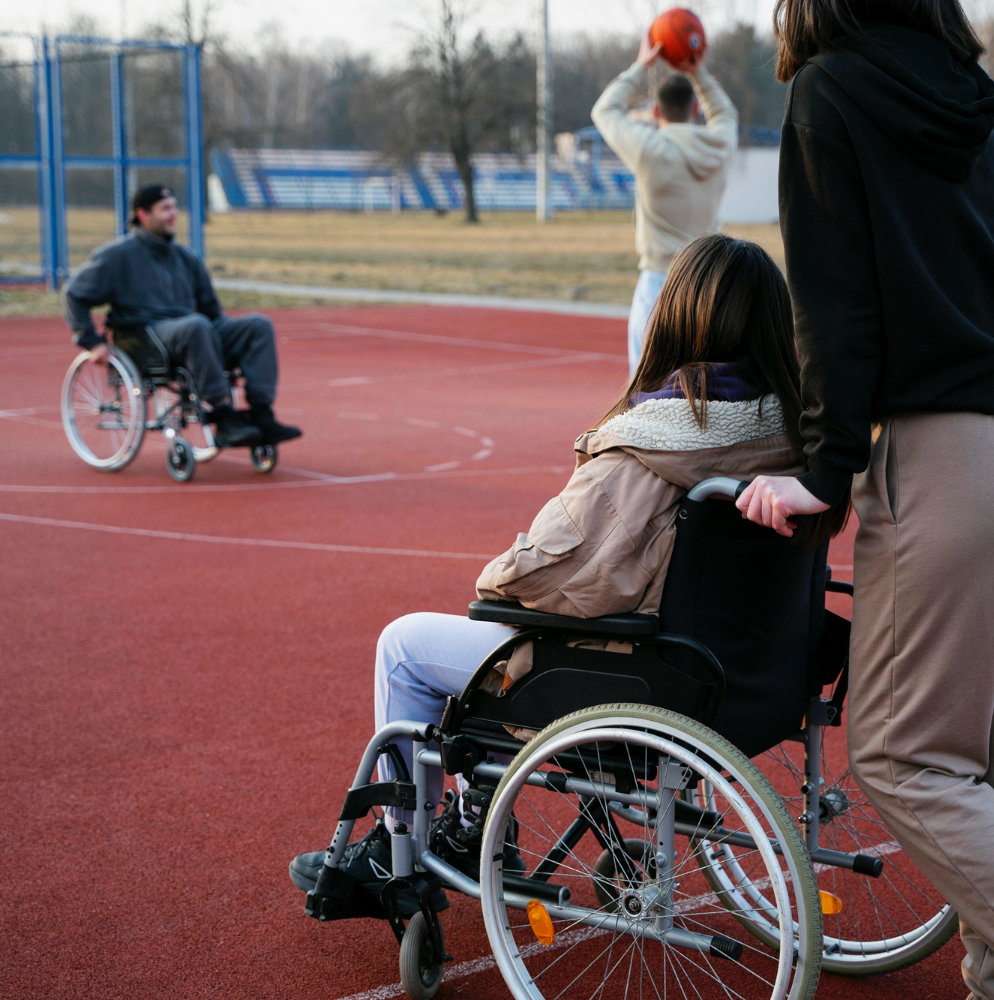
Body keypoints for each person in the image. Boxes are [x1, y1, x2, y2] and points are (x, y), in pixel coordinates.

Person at [735, 3, 994, 1000]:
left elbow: (833, 310)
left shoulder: (826, 94)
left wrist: (823, 471)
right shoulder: (969, 96)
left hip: (955, 454)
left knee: (896, 752)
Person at [288, 233, 806, 905]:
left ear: (678, 319)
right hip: (751, 672)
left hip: (642, 676)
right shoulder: (793, 436)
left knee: (412, 645)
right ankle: (475, 819)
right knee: (514, 648)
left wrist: (501, 580)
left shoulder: (653, 444)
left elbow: (548, 576)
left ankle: (398, 847)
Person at [63, 183, 301, 448]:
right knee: (196, 326)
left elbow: (212, 312)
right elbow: (74, 294)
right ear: (143, 215)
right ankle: (222, 416)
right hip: (145, 335)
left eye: (174, 207)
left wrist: (233, 334)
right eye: (165, 209)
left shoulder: (186, 257)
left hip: (192, 333)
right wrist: (91, 342)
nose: (173, 214)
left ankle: (261, 413)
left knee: (258, 324)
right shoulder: (116, 256)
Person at [591, 31, 738, 373]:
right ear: (696, 108)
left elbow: (605, 110)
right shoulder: (719, 146)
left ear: (657, 110)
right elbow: (726, 113)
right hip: (708, 282)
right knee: (707, 389)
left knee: (645, 390)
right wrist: (696, 70)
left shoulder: (650, 148)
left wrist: (640, 66)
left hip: (658, 282)